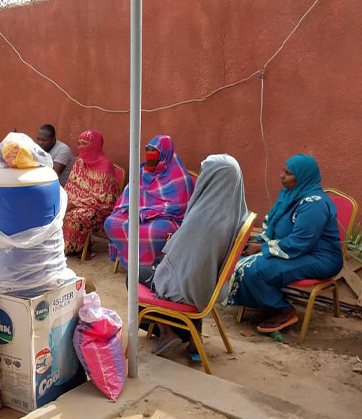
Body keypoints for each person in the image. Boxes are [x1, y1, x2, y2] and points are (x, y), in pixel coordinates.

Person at [136, 154, 247, 360]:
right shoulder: (238, 213)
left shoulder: (204, 219)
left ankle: (168, 332)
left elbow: (179, 262)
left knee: (135, 274)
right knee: (165, 268)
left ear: (212, 179)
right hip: (211, 285)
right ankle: (193, 338)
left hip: (191, 287)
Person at [227, 154, 343, 332]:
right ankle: (264, 301)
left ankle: (283, 310)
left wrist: (263, 248)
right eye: (283, 170)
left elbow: (300, 242)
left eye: (288, 173)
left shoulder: (315, 204)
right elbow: (273, 225)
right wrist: (257, 242)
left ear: (302, 176)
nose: (282, 176)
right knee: (238, 259)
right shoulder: (289, 194)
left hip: (319, 257)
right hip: (295, 250)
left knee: (253, 269)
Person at [105, 135, 194, 268]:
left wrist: (147, 213)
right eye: (148, 150)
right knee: (110, 223)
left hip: (166, 218)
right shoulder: (142, 171)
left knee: (149, 232)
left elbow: (178, 207)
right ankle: (131, 263)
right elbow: (129, 194)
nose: (149, 154)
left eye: (154, 151)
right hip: (137, 213)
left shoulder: (179, 176)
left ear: (164, 152)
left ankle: (144, 269)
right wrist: (129, 208)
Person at [62, 130, 119, 256]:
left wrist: (74, 203)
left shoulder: (105, 166)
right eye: (79, 143)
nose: (81, 147)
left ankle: (73, 248)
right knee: (56, 209)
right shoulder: (79, 162)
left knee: (74, 218)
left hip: (99, 207)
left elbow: (105, 199)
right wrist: (67, 202)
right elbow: (71, 187)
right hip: (77, 202)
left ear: (96, 144)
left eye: (85, 144)